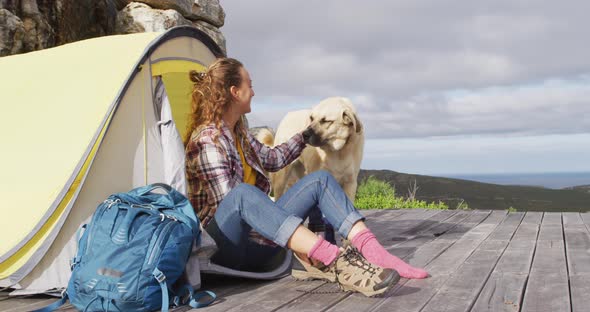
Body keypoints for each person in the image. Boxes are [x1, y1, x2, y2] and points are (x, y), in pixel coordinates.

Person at [184, 58, 428, 297]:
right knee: (241, 195)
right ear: (235, 92)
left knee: (320, 180)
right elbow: (230, 206)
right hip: (222, 250)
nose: (255, 91)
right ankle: (338, 262)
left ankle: (375, 253)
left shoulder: (238, 134)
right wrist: (299, 236)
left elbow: (273, 159)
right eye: (250, 84)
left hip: (256, 241)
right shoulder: (208, 141)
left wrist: (306, 135)